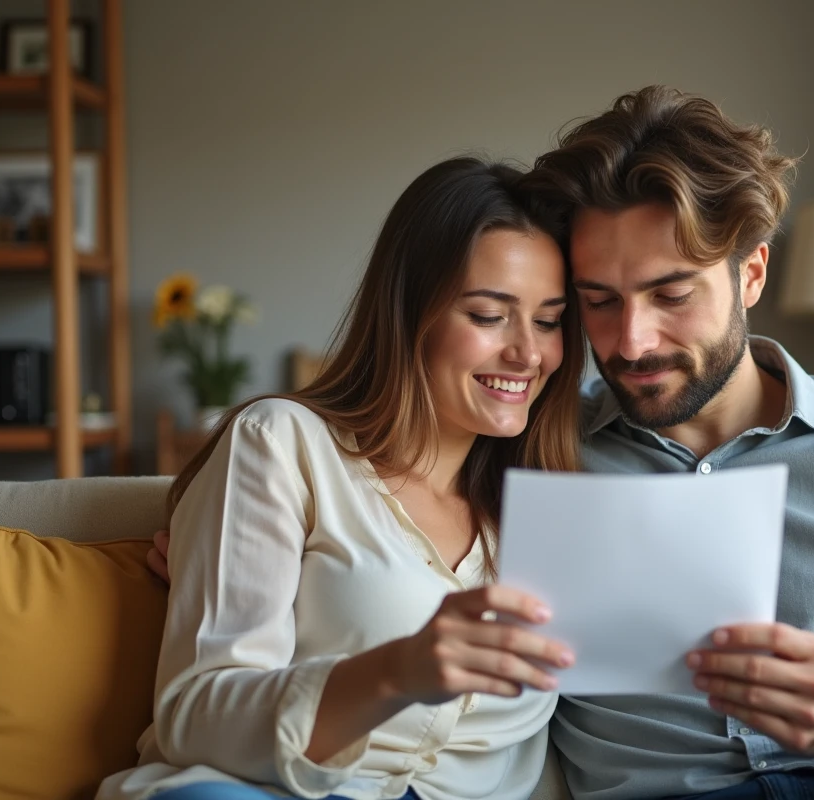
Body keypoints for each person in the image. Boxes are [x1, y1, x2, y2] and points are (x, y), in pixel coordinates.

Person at [148, 87, 814, 800]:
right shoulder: (542, 445)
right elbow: (372, 479)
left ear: (750, 274)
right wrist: (198, 517)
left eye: (672, 294)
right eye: (596, 301)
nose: (629, 341)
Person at [98, 157, 588, 800]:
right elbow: (195, 715)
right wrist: (393, 673)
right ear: (409, 313)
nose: (528, 353)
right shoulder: (282, 443)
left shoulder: (554, 508)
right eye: (488, 315)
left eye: (548, 321)